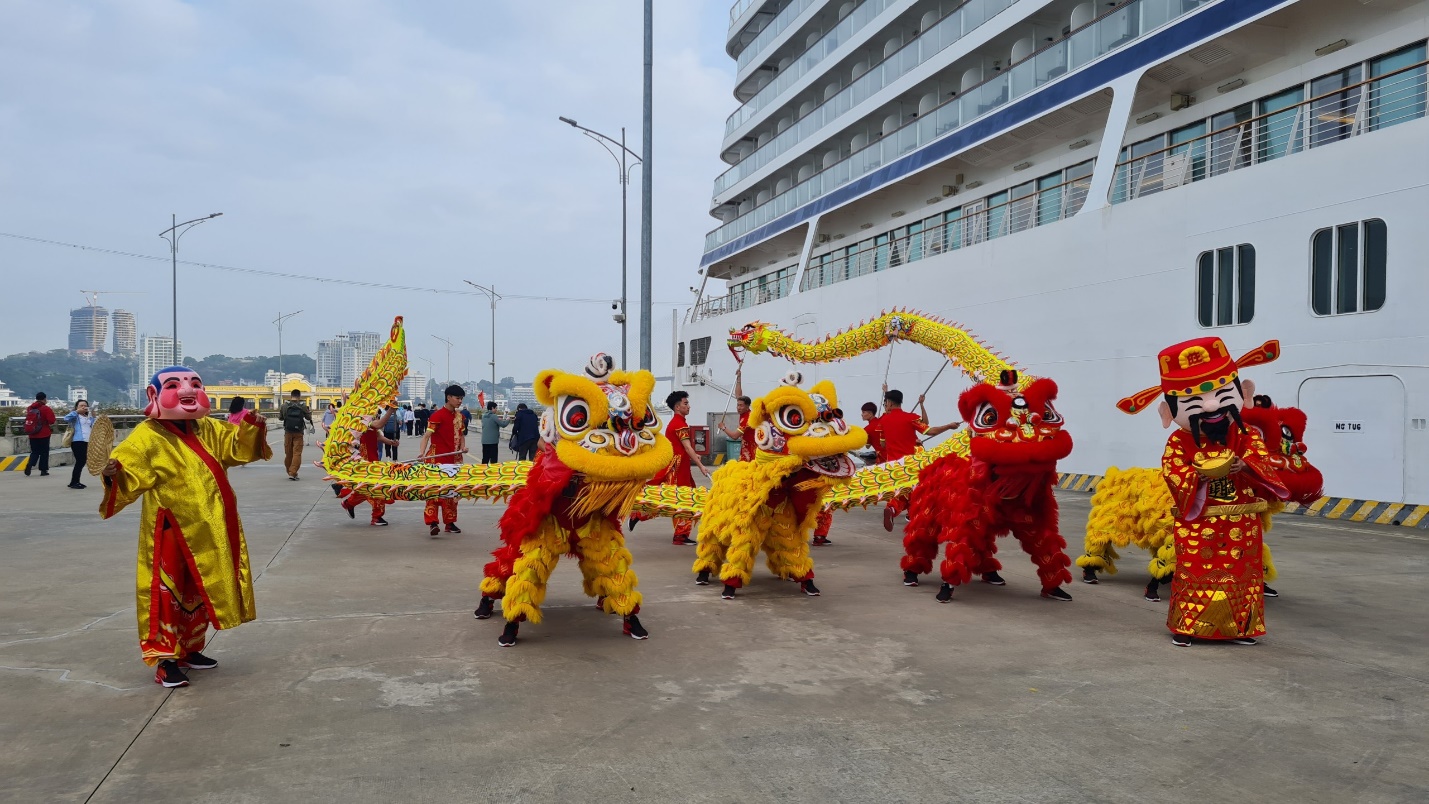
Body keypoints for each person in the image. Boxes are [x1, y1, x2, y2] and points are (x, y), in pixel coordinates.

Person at [99, 366, 271, 688]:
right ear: (154, 395)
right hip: (171, 530)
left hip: (211, 525)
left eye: (194, 383)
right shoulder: (146, 436)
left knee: (198, 590)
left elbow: (235, 449)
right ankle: (165, 660)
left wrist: (250, 428)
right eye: (175, 385)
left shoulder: (206, 427)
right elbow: (127, 474)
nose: (187, 390)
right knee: (167, 593)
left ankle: (191, 649)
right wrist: (111, 472)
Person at [1116, 337, 1289, 647]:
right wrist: (1199, 475)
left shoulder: (1245, 434)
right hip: (1198, 524)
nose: (1210, 406)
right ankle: (1187, 628)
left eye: (1222, 394)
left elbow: (1264, 460)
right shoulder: (1178, 442)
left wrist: (1245, 466)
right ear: (1168, 412)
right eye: (1194, 402)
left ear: (1241, 394)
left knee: (1242, 576)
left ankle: (1241, 628)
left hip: (1241, 524)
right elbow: (1173, 470)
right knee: (1195, 575)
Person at [631, 390, 709, 545]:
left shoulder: (676, 422)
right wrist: (701, 466)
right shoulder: (679, 424)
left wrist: (694, 457)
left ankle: (639, 514)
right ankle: (679, 535)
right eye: (686, 403)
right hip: (678, 468)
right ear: (677, 407)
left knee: (671, 498)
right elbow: (687, 448)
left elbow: (684, 449)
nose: (689, 406)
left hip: (677, 466)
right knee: (684, 499)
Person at [879, 385, 959, 531]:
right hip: (910, 464)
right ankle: (920, 521)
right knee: (917, 494)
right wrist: (948, 426)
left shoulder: (884, 421)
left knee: (901, 492)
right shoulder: (911, 418)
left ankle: (891, 509)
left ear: (889, 403)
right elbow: (930, 430)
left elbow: (882, 443)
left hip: (892, 466)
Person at [417, 385, 467, 535]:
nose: (460, 401)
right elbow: (426, 436)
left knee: (452, 492)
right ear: (449, 397)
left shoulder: (460, 417)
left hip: (454, 460)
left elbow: (462, 436)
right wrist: (422, 453)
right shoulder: (437, 416)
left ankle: (450, 523)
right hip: (436, 460)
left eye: (461, 399)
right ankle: (432, 522)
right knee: (434, 491)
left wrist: (463, 448)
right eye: (457, 398)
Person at [339, 407, 398, 526]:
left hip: (373, 460)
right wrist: (390, 411)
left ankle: (349, 504)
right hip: (365, 463)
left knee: (366, 489)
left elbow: (378, 436)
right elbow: (379, 424)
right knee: (377, 489)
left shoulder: (370, 419)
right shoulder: (363, 420)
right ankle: (376, 517)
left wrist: (390, 442)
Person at [717, 366, 756, 462]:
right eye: (738, 405)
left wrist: (723, 428)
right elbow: (738, 395)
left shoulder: (748, 418)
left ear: (747, 406)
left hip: (751, 450)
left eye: (741, 406)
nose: (738, 407)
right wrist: (739, 378)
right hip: (745, 447)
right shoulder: (745, 412)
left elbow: (734, 436)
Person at [63, 399, 96, 489]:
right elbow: (66, 418)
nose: (83, 407)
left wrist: (93, 415)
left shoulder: (88, 417)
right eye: (81, 405)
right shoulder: (75, 416)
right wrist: (76, 412)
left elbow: (95, 425)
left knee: (82, 461)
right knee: (80, 461)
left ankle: (76, 481)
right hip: (78, 441)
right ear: (77, 407)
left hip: (87, 441)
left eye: (85, 405)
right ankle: (74, 482)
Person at [280, 389, 313, 480]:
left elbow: (281, 418)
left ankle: (290, 471)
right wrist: (308, 412)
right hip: (298, 432)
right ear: (299, 396)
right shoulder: (302, 406)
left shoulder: (284, 405)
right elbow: (308, 417)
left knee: (288, 453)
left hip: (288, 432)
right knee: (297, 453)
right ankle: (293, 472)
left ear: (291, 396)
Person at [22, 391, 56, 477]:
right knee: (44, 452)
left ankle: (30, 464)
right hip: (44, 433)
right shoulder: (46, 409)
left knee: (35, 451)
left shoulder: (30, 408)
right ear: (44, 399)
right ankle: (43, 470)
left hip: (32, 433)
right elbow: (51, 421)